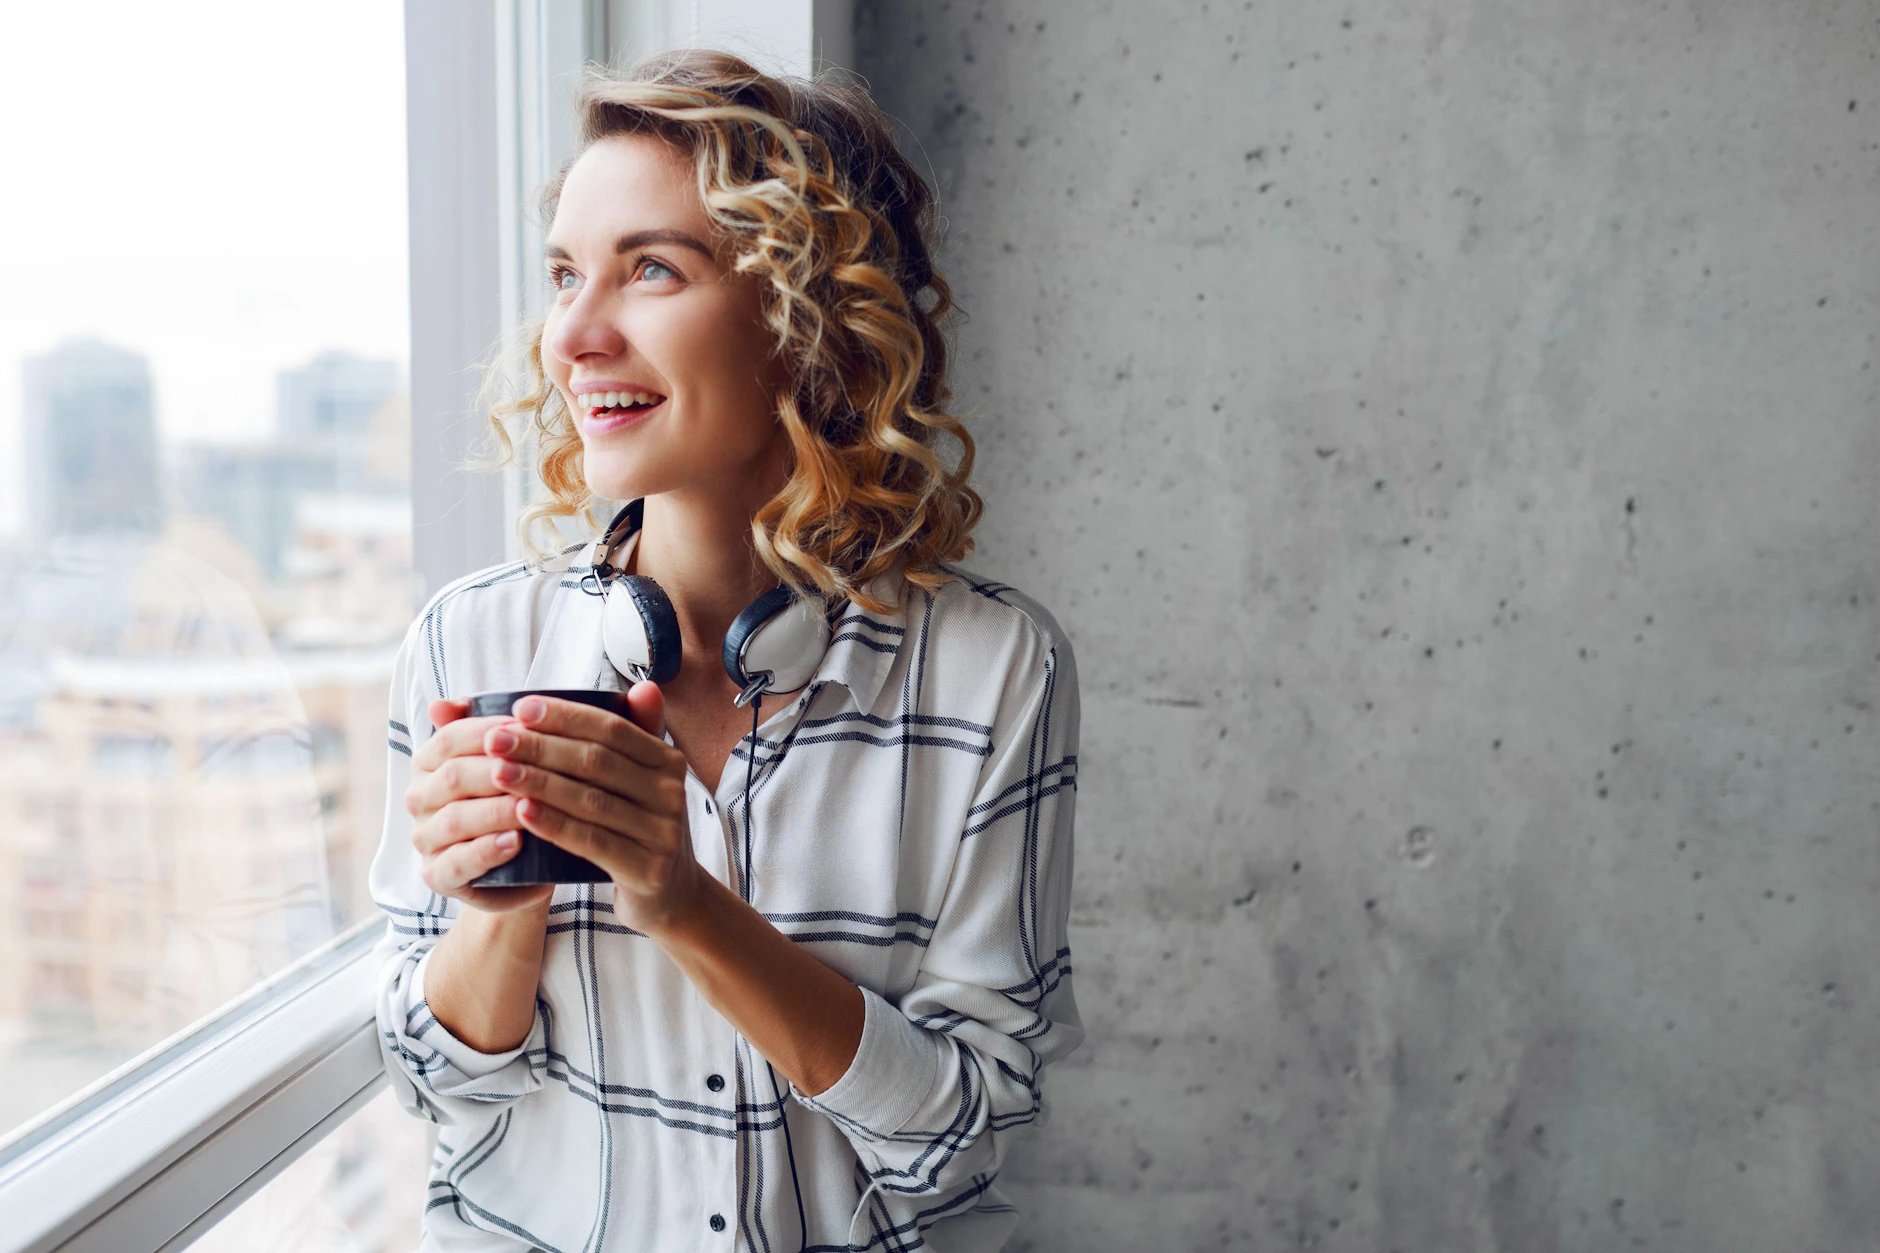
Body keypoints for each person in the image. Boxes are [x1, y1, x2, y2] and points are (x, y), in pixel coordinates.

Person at [369, 48, 1082, 1253]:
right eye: (564, 275)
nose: (571, 335)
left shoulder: (993, 670)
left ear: (804, 319)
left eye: (650, 267)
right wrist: (498, 907)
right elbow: (434, 1084)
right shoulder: (468, 639)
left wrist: (686, 902)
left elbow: (957, 1137)